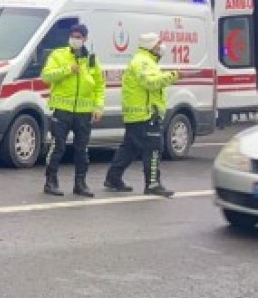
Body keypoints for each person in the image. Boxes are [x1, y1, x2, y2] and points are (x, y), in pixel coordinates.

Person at [105, 33, 179, 197]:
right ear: (151, 46)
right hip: (146, 114)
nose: (162, 47)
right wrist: (172, 75)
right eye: (159, 43)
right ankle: (152, 184)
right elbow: (151, 83)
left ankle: (113, 178)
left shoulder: (143, 60)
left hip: (137, 115)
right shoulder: (143, 62)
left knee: (129, 149)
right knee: (154, 148)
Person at [41, 23, 104, 198]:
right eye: (73, 36)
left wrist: (98, 107)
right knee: (57, 146)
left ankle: (80, 183)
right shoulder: (59, 55)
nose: (75, 39)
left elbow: (99, 85)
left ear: (85, 39)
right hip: (62, 110)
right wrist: (68, 70)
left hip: (84, 113)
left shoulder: (91, 59)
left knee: (82, 149)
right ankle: (51, 181)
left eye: (79, 37)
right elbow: (46, 76)